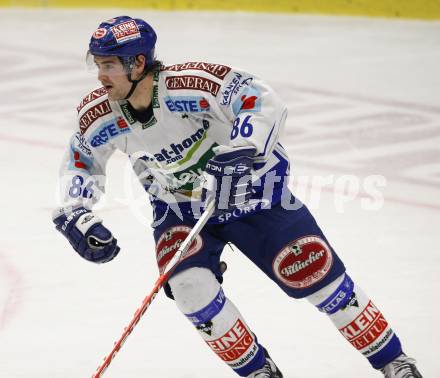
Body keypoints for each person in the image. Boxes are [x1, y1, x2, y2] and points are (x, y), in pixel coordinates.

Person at [52, 16, 422, 378]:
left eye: (109, 65)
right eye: (97, 64)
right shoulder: (98, 113)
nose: (100, 75)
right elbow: (81, 160)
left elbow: (260, 98)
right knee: (189, 289)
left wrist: (243, 148)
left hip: (252, 190)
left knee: (315, 273)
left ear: (138, 64)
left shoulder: (191, 85)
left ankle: (394, 362)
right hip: (178, 206)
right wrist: (76, 212)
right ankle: (260, 372)